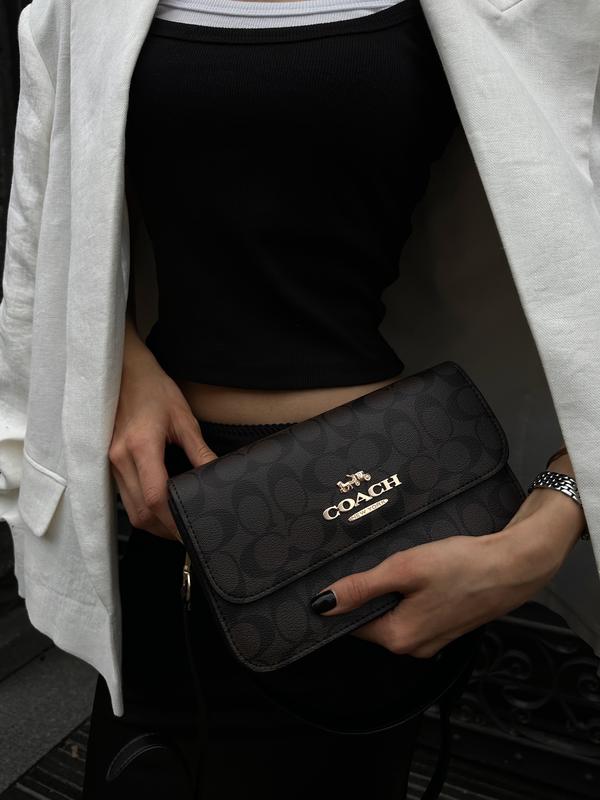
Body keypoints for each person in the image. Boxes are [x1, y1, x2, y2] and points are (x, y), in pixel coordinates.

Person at [1, 0, 593, 797]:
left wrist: (549, 526)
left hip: (387, 521)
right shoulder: (81, 10)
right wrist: (118, 354)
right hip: (172, 509)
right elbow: (51, 210)